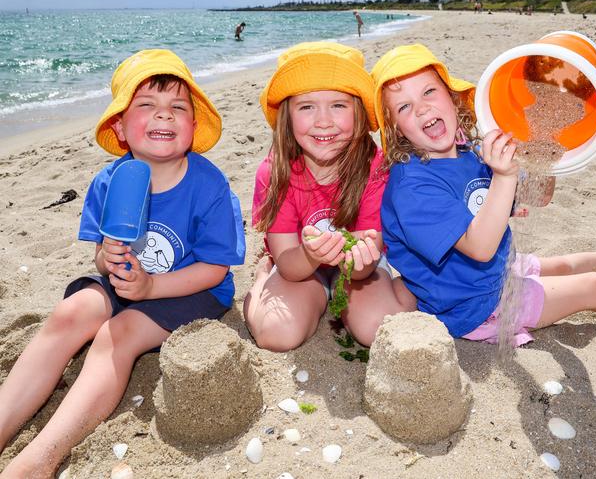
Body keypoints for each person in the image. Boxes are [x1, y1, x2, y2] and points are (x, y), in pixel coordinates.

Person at [0, 49, 245, 476]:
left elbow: (216, 269)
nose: (163, 116)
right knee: (69, 313)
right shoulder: (110, 180)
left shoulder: (208, 184)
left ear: (192, 124)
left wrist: (152, 289)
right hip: (126, 282)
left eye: (177, 108)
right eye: (146, 106)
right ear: (120, 126)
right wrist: (108, 258)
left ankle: (40, 459)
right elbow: (99, 253)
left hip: (192, 288)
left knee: (119, 332)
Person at [371, 44, 596, 346]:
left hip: (497, 270)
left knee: (563, 266)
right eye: (404, 107)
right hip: (476, 304)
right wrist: (504, 176)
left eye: (428, 92)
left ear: (452, 99)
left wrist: (543, 144)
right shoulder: (412, 188)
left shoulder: (470, 151)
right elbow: (480, 248)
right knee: (595, 287)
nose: (422, 108)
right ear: (397, 130)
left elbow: (539, 196)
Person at [244, 42, 416, 352]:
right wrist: (311, 255)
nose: (324, 120)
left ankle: (399, 288)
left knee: (375, 330)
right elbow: (288, 265)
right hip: (297, 266)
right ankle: (260, 279)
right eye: (307, 106)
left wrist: (359, 262)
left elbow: (366, 258)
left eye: (338, 105)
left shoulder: (373, 166)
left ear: (359, 113)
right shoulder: (275, 173)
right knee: (277, 334)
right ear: (287, 116)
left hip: (358, 270)